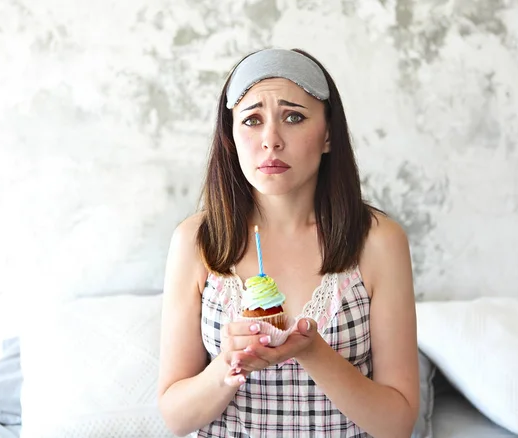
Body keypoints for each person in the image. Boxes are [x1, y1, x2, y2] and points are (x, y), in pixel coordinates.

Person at [158, 48, 419, 438]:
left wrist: (311, 351)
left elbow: (397, 424)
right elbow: (175, 418)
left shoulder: (379, 241)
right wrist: (229, 363)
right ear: (231, 138)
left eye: (293, 117)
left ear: (328, 134)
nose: (271, 141)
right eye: (252, 120)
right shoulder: (196, 242)